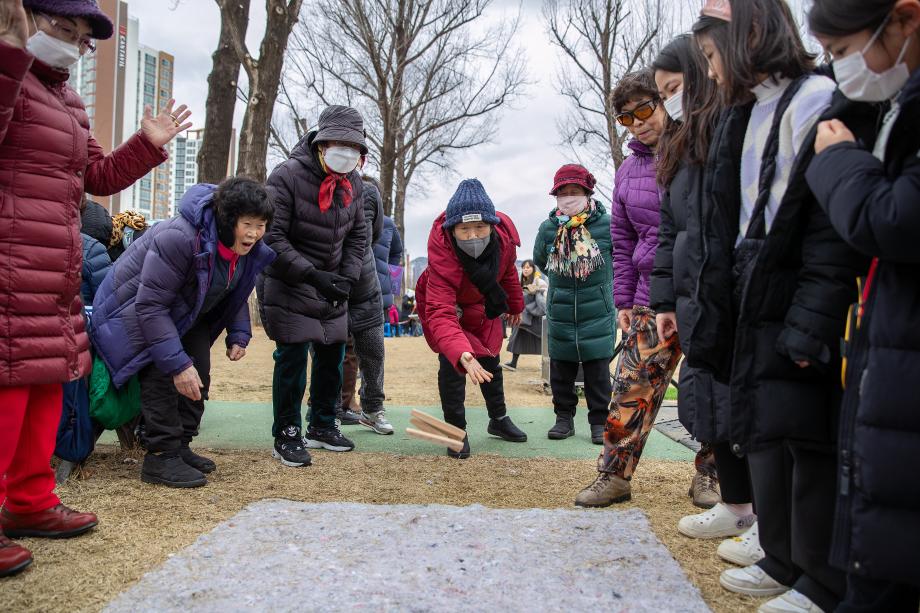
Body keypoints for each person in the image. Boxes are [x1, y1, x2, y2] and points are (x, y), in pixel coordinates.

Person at [690, 1, 874, 610]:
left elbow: (825, 229)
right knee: (763, 424)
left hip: (795, 280)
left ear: (749, 36)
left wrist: (812, 319)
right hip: (751, 276)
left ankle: (819, 577)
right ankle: (783, 554)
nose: (711, 73)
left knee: (806, 432)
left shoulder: (813, 99)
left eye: (714, 57)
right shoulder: (743, 112)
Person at [0, 0, 191, 578]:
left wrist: (146, 145)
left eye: (85, 39)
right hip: (9, 259)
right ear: (26, 18)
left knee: (46, 385)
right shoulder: (9, 72)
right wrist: (9, 55)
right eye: (66, 29)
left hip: (54, 265)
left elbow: (97, 176)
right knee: (7, 394)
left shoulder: (69, 100)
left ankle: (31, 501)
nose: (75, 45)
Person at [806, 1, 920, 610]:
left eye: (845, 52)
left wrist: (838, 158)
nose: (840, 70)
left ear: (904, 20)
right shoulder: (895, 100)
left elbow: (895, 219)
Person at [650, 34, 762, 557]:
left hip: (732, 286)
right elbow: (672, 232)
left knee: (747, 403)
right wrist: (665, 301)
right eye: (663, 92)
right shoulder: (677, 147)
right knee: (708, 400)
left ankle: (765, 517)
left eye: (674, 88)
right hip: (694, 293)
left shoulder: (734, 127)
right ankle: (736, 504)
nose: (670, 100)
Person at [91, 179, 275, 488]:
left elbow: (235, 289)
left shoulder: (242, 249)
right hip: (134, 310)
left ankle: (181, 446)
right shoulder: (180, 237)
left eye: (261, 225)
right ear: (229, 220)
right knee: (164, 372)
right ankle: (160, 456)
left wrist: (239, 333)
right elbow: (149, 306)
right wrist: (176, 364)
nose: (255, 233)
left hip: (186, 313)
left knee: (198, 371)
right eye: (248, 224)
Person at [573, 70, 681, 507]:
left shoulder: (700, 148)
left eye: (645, 109)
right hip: (647, 296)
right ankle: (614, 475)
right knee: (631, 390)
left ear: (664, 102)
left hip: (698, 288)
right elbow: (622, 239)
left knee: (710, 390)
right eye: (625, 117)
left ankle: (714, 474)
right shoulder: (627, 169)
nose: (637, 123)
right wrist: (624, 298)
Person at [260, 105, 368, 467]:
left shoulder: (355, 184)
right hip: (290, 280)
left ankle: (323, 422)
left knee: (332, 355)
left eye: (354, 147)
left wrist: (347, 277)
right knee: (291, 358)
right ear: (321, 143)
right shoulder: (286, 176)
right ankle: (286, 432)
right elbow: (271, 236)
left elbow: (358, 235)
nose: (347, 152)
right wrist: (310, 274)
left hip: (333, 284)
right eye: (339, 143)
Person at [416, 179, 528, 459]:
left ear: (492, 225)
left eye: (479, 227)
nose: (472, 235)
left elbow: (508, 275)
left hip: (484, 305)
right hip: (450, 309)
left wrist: (515, 304)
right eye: (464, 229)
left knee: (491, 361)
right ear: (452, 230)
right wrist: (461, 354)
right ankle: (455, 432)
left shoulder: (504, 242)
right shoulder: (441, 255)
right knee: (452, 366)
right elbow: (440, 311)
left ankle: (498, 419)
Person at [534, 164, 615, 446]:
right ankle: (563, 419)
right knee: (561, 369)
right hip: (562, 307)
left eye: (574, 191)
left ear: (587, 193)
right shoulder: (548, 228)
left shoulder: (607, 225)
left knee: (598, 372)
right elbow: (539, 260)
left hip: (599, 309)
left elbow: (621, 257)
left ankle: (598, 421)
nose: (568, 197)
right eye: (563, 193)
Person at [341, 175, 393, 435]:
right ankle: (326, 408)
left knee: (373, 350)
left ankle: (373, 408)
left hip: (366, 284)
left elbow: (373, 235)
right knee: (328, 352)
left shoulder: (370, 194)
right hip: (331, 280)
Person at [501, 260, 547, 372]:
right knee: (517, 338)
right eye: (524, 267)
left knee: (543, 342)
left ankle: (546, 364)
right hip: (523, 318)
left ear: (533, 269)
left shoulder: (538, 281)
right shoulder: (521, 281)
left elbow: (541, 300)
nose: (525, 269)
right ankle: (513, 363)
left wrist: (545, 310)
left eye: (528, 267)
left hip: (534, 317)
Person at [374, 214, 404, 315]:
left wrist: (390, 280)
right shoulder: (348, 215)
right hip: (351, 295)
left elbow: (396, 252)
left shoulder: (387, 223)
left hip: (381, 299)